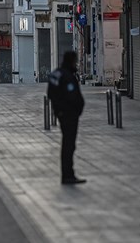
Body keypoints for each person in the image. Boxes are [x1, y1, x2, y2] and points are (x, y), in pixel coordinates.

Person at [47, 51, 86, 185]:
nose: (76, 63)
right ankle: (68, 174)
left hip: (62, 113)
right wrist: (75, 109)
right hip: (68, 114)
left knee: (68, 143)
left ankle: (68, 173)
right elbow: (72, 96)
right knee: (69, 144)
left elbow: (50, 93)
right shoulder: (67, 76)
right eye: (75, 61)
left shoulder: (56, 74)